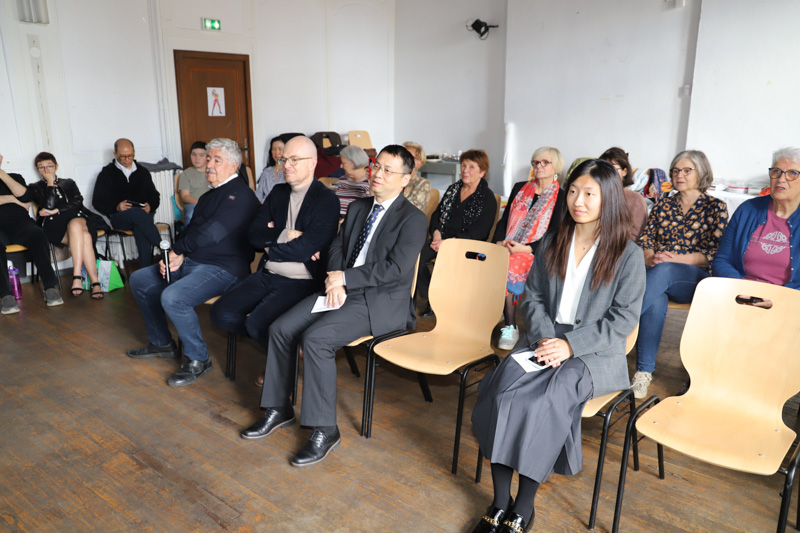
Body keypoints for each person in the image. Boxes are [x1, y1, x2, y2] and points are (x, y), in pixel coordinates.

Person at [470, 159, 645, 533]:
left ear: (609, 198)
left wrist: (568, 345)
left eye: (589, 194)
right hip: (544, 335)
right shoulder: (553, 239)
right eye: (573, 191)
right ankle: (499, 501)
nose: (577, 201)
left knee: (542, 402)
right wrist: (547, 336)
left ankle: (523, 508)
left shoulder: (627, 254)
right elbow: (531, 297)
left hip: (593, 352)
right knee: (502, 392)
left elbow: (622, 319)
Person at [239, 144, 427, 468]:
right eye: (375, 166)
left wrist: (345, 279)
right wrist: (334, 277)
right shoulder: (358, 207)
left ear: (406, 178)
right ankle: (278, 408)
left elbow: (395, 269)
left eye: (387, 170)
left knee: (316, 339)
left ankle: (326, 430)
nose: (377, 174)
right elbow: (337, 246)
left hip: (376, 301)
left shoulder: (413, 219)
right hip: (340, 288)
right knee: (281, 328)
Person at [126, 138, 259, 387]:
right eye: (209, 159)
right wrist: (177, 257)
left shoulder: (240, 195)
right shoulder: (209, 196)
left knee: (174, 298)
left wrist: (178, 250)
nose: (209, 164)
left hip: (225, 269)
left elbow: (212, 234)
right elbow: (192, 232)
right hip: (194, 261)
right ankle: (162, 343)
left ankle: (199, 360)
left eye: (216, 160)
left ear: (233, 165)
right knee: (140, 279)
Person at [210, 136, 340, 376]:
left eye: (293, 160)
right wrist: (288, 234)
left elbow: (304, 248)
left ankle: (280, 357)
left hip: (302, 281)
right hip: (267, 274)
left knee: (256, 322)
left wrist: (272, 243)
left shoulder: (326, 200)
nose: (285, 165)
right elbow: (254, 236)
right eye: (283, 159)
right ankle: (285, 349)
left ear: (312, 163)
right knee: (221, 312)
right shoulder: (278, 193)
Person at [633, 150, 728, 399]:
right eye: (675, 170)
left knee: (663, 271)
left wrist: (673, 259)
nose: (679, 174)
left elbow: (715, 253)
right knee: (655, 299)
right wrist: (651, 256)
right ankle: (643, 373)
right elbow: (646, 241)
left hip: (695, 280)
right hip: (659, 275)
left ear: (701, 173)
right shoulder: (663, 204)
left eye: (687, 170)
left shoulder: (716, 207)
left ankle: (619, 323)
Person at [496, 147, 567, 350]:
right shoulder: (520, 188)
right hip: (509, 244)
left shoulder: (561, 197)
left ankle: (510, 326)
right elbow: (504, 221)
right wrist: (499, 241)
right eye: (536, 162)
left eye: (545, 162)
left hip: (539, 251)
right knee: (486, 259)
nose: (539, 166)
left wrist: (528, 248)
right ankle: (491, 311)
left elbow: (555, 232)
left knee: (509, 266)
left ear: (556, 168)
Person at [417, 149, 498, 317]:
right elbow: (436, 215)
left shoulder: (487, 198)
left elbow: (480, 233)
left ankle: (439, 302)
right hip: (441, 239)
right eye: (463, 166)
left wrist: (449, 243)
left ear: (482, 172)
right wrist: (437, 234)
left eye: (471, 167)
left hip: (467, 245)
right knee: (415, 256)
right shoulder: (453, 189)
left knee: (445, 261)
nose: (465, 170)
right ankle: (431, 297)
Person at [713, 147, 800, 290]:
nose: (781, 179)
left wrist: (779, 299)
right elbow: (723, 260)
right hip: (739, 293)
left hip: (787, 301)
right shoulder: (747, 210)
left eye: (792, 173)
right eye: (776, 171)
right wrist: (740, 289)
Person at [21, 152, 103, 299]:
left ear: (56, 166)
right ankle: (95, 282)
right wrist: (50, 184)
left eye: (50, 166)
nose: (46, 170)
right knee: (84, 236)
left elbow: (78, 202)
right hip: (54, 227)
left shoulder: (69, 182)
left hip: (78, 218)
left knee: (76, 224)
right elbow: (47, 205)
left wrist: (57, 210)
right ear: (37, 169)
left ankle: (77, 276)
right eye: (42, 168)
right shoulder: (34, 187)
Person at [0, 156, 63, 313]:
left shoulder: (14, 177)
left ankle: (50, 288)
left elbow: (26, 198)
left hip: (21, 224)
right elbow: (20, 200)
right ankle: (6, 295)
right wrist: (13, 199)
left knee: (38, 235)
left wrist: (1, 174)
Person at [92, 138, 162, 267]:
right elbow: (97, 201)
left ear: (134, 152)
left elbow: (154, 196)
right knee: (136, 214)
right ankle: (165, 250)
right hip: (120, 218)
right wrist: (116, 207)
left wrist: (150, 206)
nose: (127, 159)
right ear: (115, 154)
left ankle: (144, 270)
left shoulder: (142, 172)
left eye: (130, 155)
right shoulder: (106, 174)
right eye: (122, 156)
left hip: (143, 217)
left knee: (140, 226)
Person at [600, 147, 647, 240]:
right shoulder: (594, 196)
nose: (609, 173)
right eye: (605, 169)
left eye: (613, 168)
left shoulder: (636, 200)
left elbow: (637, 236)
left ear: (624, 172)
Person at [333, 145, 371, 218]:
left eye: (343, 163)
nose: (341, 166)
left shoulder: (371, 181)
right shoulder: (342, 180)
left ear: (353, 163)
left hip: (357, 221)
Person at [177, 141, 208, 226]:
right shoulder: (186, 174)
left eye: (201, 155)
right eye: (194, 155)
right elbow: (184, 197)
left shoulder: (213, 172)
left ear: (207, 156)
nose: (197, 158)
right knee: (190, 216)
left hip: (211, 203)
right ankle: (187, 238)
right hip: (194, 204)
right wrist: (201, 203)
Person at [402, 141, 431, 212]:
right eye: (402, 155)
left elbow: (411, 209)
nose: (403, 159)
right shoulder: (393, 178)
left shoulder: (423, 184)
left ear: (419, 163)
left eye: (409, 156)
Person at [255, 136, 286, 203]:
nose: (276, 152)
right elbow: (259, 193)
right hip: (264, 207)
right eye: (274, 149)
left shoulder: (288, 171)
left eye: (280, 149)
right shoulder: (266, 171)